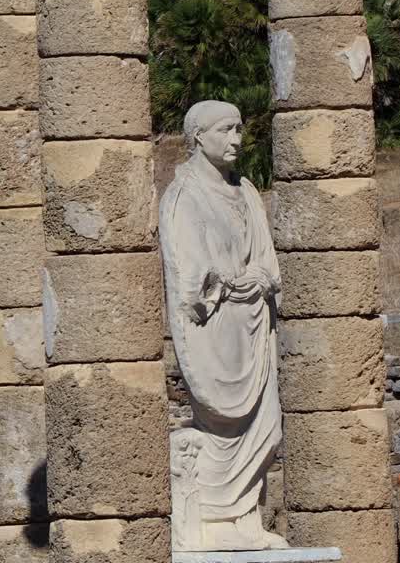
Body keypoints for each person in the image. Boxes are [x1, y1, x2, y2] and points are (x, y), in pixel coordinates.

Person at [160, 100, 287, 551]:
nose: (237, 139)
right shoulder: (182, 198)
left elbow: (269, 264)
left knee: (267, 426)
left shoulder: (248, 191)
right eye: (226, 130)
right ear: (198, 137)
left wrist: (258, 279)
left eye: (239, 129)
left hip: (255, 325)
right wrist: (235, 282)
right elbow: (190, 281)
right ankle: (212, 520)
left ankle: (244, 518)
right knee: (221, 421)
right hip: (218, 327)